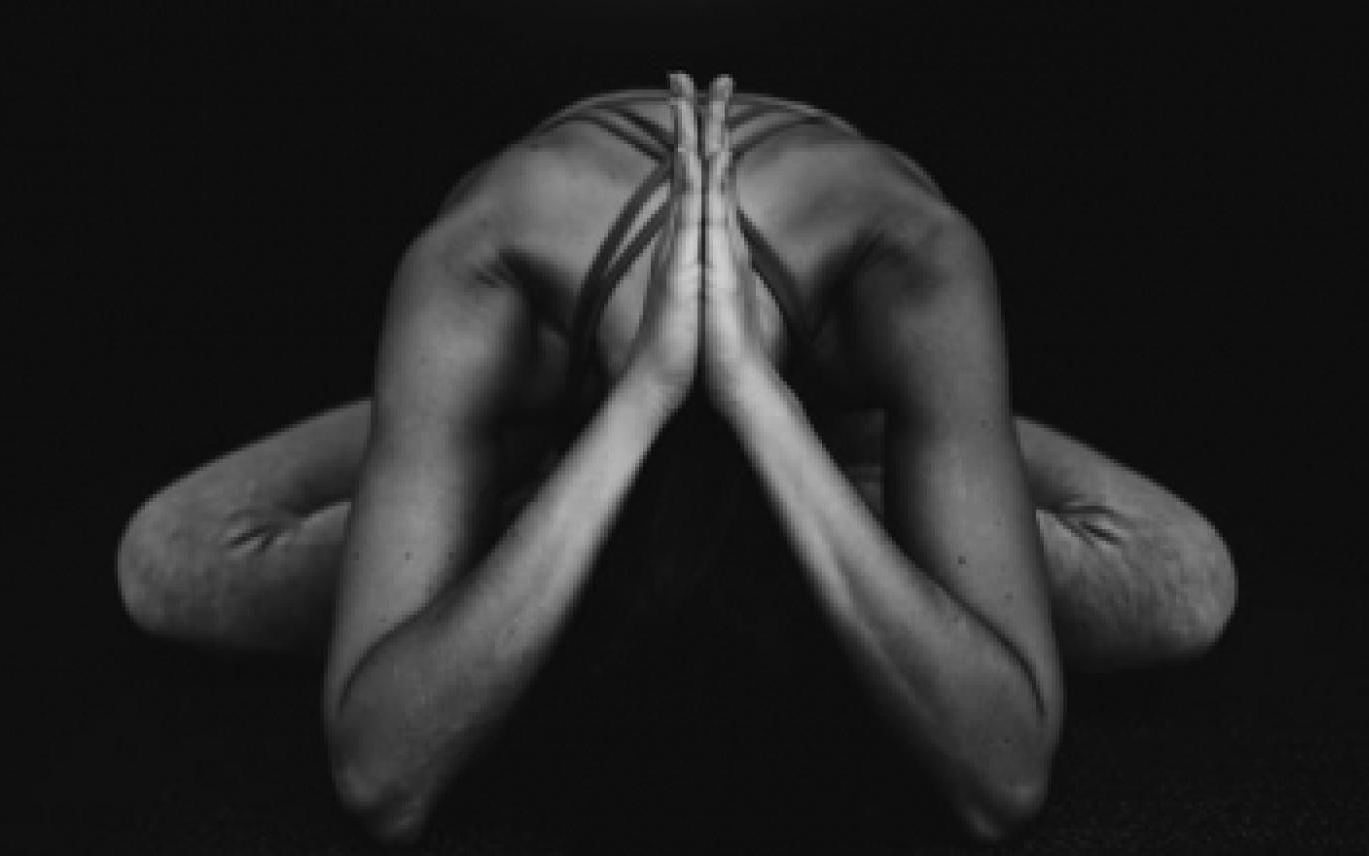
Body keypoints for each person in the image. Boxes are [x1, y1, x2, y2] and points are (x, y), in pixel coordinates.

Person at [115, 74, 1235, 843]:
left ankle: (809, 481)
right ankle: (525, 477)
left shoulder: (910, 258)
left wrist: (754, 398)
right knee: (167, 563)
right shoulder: (482, 271)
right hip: (561, 434)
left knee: (1181, 590)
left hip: (791, 433)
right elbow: (379, 776)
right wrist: (645, 394)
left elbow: (1005, 781)